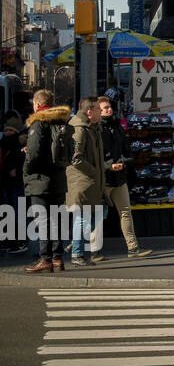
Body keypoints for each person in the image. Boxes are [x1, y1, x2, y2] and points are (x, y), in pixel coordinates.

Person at [22, 90, 71, 273]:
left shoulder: (38, 122)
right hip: (58, 178)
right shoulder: (61, 121)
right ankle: (57, 258)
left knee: (42, 220)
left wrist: (26, 170)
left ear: (36, 104)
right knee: (56, 219)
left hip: (40, 179)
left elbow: (33, 153)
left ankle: (45, 259)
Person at [96, 98, 151, 259]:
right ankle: (93, 250)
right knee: (97, 215)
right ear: (98, 111)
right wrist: (108, 165)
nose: (109, 110)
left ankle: (133, 247)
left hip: (119, 176)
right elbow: (93, 156)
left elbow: (125, 149)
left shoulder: (117, 126)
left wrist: (126, 162)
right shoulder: (95, 129)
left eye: (110, 107)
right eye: (105, 108)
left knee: (125, 211)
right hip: (103, 178)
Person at [65, 97, 106, 267]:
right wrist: (94, 171)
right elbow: (75, 158)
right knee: (82, 219)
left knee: (98, 213)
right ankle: (76, 253)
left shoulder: (92, 128)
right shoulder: (80, 129)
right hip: (83, 182)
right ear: (89, 113)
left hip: (89, 182)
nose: (101, 111)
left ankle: (75, 246)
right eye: (98, 109)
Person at [1, 117, 26, 253]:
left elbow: (16, 163)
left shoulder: (15, 144)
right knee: (10, 211)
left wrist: (13, 168)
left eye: (10, 130)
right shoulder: (5, 143)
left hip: (14, 183)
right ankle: (13, 239)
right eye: (6, 130)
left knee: (16, 211)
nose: (7, 132)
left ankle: (19, 240)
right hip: (7, 183)